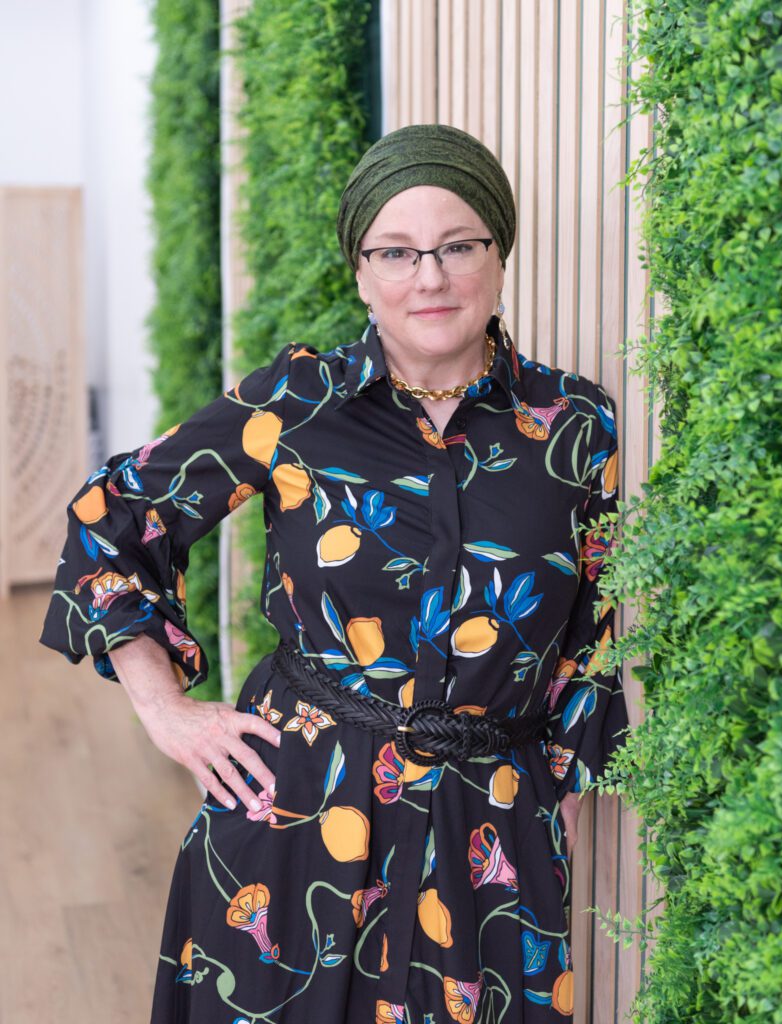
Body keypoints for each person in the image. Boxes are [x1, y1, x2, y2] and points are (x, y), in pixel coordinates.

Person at [39, 122, 628, 1023]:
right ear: (361, 271)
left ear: (498, 255)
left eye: (457, 245)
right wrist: (167, 713)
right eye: (396, 251)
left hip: (493, 835)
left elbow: (585, 641)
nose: (429, 276)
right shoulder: (293, 406)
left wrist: (552, 825)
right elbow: (110, 519)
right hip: (298, 816)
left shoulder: (576, 425)